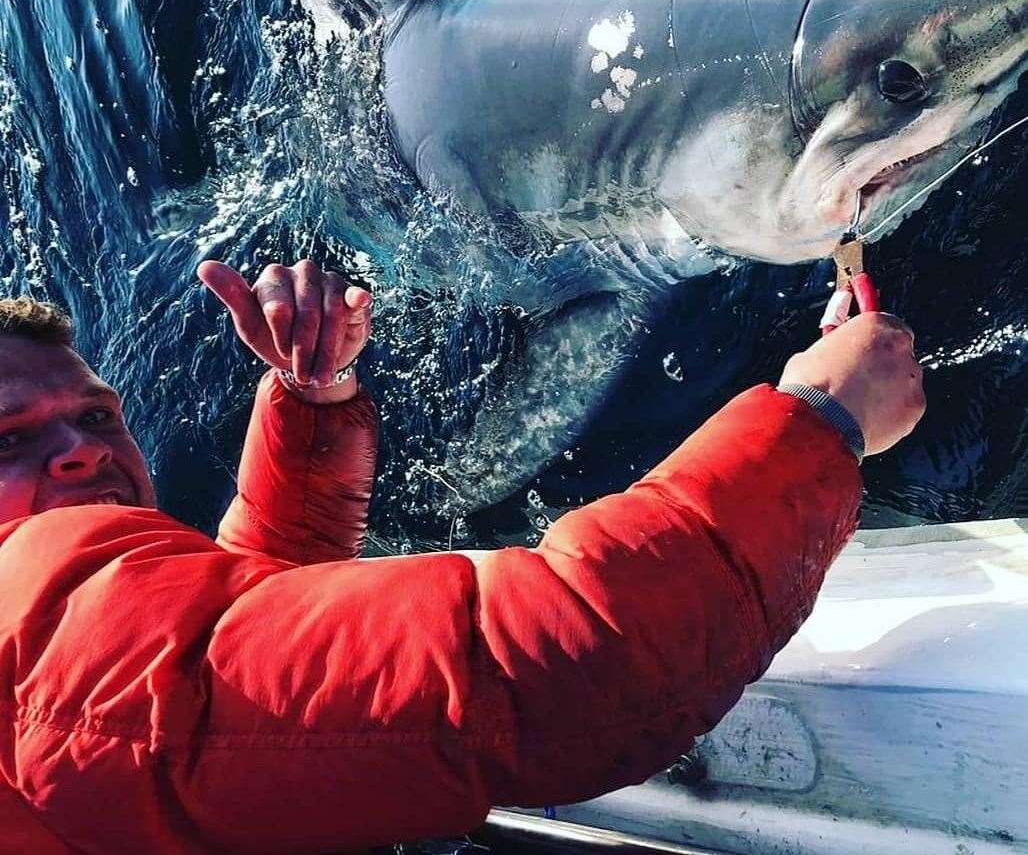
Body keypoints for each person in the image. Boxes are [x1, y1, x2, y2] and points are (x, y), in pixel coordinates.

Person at [0, 257, 924, 854]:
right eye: (9, 438)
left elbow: (228, 658)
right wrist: (820, 423)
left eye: (93, 414)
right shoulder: (42, 644)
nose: (81, 448)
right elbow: (580, 664)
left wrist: (311, 401)